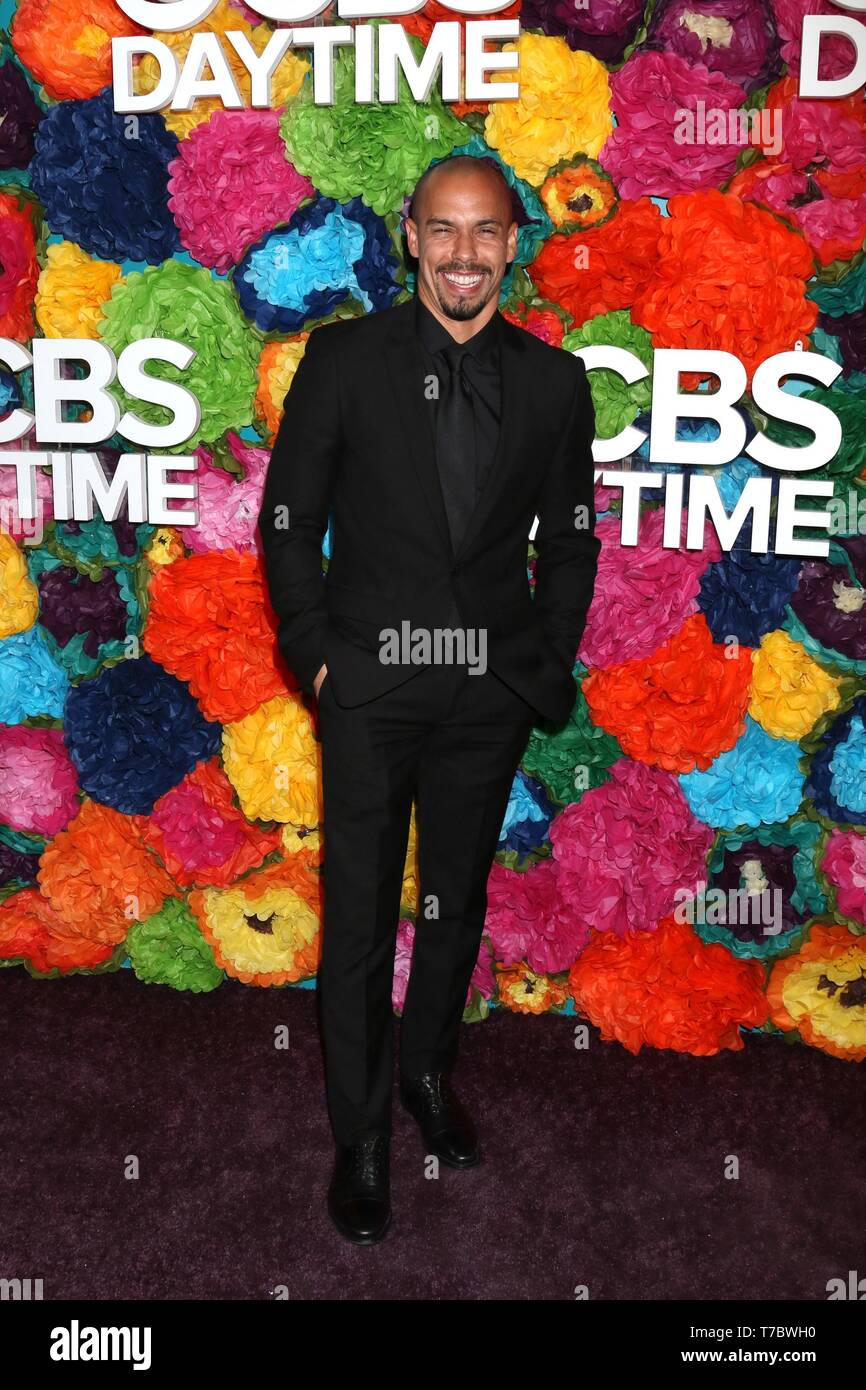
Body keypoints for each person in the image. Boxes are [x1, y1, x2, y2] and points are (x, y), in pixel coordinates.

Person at [257, 154, 599, 1244]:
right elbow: (284, 520)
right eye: (442, 230)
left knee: (454, 906)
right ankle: (358, 1132)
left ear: (511, 242)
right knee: (357, 920)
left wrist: (538, 654)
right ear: (410, 235)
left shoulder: (552, 384)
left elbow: (574, 540)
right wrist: (314, 656)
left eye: (484, 231)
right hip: (367, 687)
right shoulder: (345, 360)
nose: (462, 253)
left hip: (484, 695)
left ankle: (428, 1079)